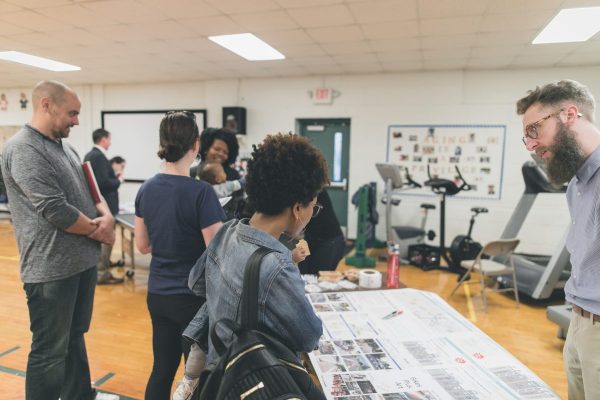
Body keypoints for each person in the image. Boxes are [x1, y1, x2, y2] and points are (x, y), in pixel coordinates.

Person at [173, 133, 328, 400]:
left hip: (215, 376)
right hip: (251, 379)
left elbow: (195, 282)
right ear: (297, 208)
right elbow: (309, 337)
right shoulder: (277, 265)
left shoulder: (227, 231)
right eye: (312, 209)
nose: (309, 217)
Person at [0, 80, 117, 400]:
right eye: (73, 113)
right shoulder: (23, 149)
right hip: (50, 270)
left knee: (74, 337)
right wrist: (99, 231)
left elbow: (91, 191)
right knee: (49, 351)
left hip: (81, 263)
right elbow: (55, 209)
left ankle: (81, 395)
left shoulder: (67, 147)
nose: (77, 121)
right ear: (46, 105)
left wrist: (106, 216)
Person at [516, 79, 600, 400]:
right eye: (527, 137)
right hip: (578, 322)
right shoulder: (576, 184)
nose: (531, 145)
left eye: (534, 130)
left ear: (569, 115)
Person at [134, 111, 224, 400]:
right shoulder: (202, 193)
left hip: (158, 295)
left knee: (162, 368)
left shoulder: (145, 189)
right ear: (195, 145)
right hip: (192, 301)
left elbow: (143, 245)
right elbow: (217, 253)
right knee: (196, 376)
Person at [84, 128, 123, 284]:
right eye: (110, 139)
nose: (110, 142)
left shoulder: (90, 155)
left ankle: (104, 263)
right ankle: (102, 272)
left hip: (96, 205)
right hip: (105, 205)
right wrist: (118, 181)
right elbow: (104, 183)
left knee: (102, 239)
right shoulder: (98, 157)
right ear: (104, 139)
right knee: (106, 238)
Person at [298, 189, 345, 275]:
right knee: (302, 274)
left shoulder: (312, 185)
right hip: (310, 235)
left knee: (318, 279)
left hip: (329, 239)